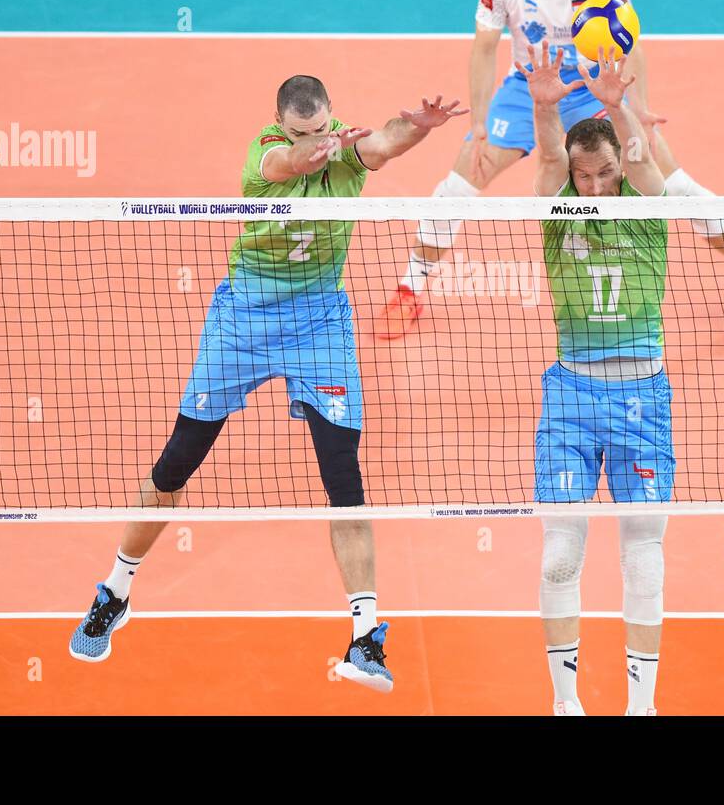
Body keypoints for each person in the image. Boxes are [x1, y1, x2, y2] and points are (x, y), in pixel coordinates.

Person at [68, 75, 466, 695]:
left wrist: (417, 125)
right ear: (281, 126)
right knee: (175, 465)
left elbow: (383, 143)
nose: (317, 139)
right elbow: (289, 164)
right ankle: (116, 590)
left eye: (324, 127)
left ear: (332, 117)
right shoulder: (266, 158)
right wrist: (322, 147)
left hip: (319, 324)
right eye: (303, 132)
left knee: (345, 480)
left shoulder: (346, 152)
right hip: (243, 323)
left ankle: (364, 639)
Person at [375, 0, 724, 340]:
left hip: (596, 87)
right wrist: (478, 124)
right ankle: (410, 289)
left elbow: (632, 41)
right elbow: (485, 46)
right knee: (459, 181)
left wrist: (640, 109)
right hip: (531, 86)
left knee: (672, 182)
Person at [520, 40, 671, 715]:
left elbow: (648, 163)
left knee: (643, 555)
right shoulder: (557, 216)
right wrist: (543, 107)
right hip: (571, 394)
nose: (599, 185)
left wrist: (623, 108)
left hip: (644, 394)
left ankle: (641, 708)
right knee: (560, 555)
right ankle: (565, 703)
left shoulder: (647, 212)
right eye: (587, 177)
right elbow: (550, 158)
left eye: (607, 172)